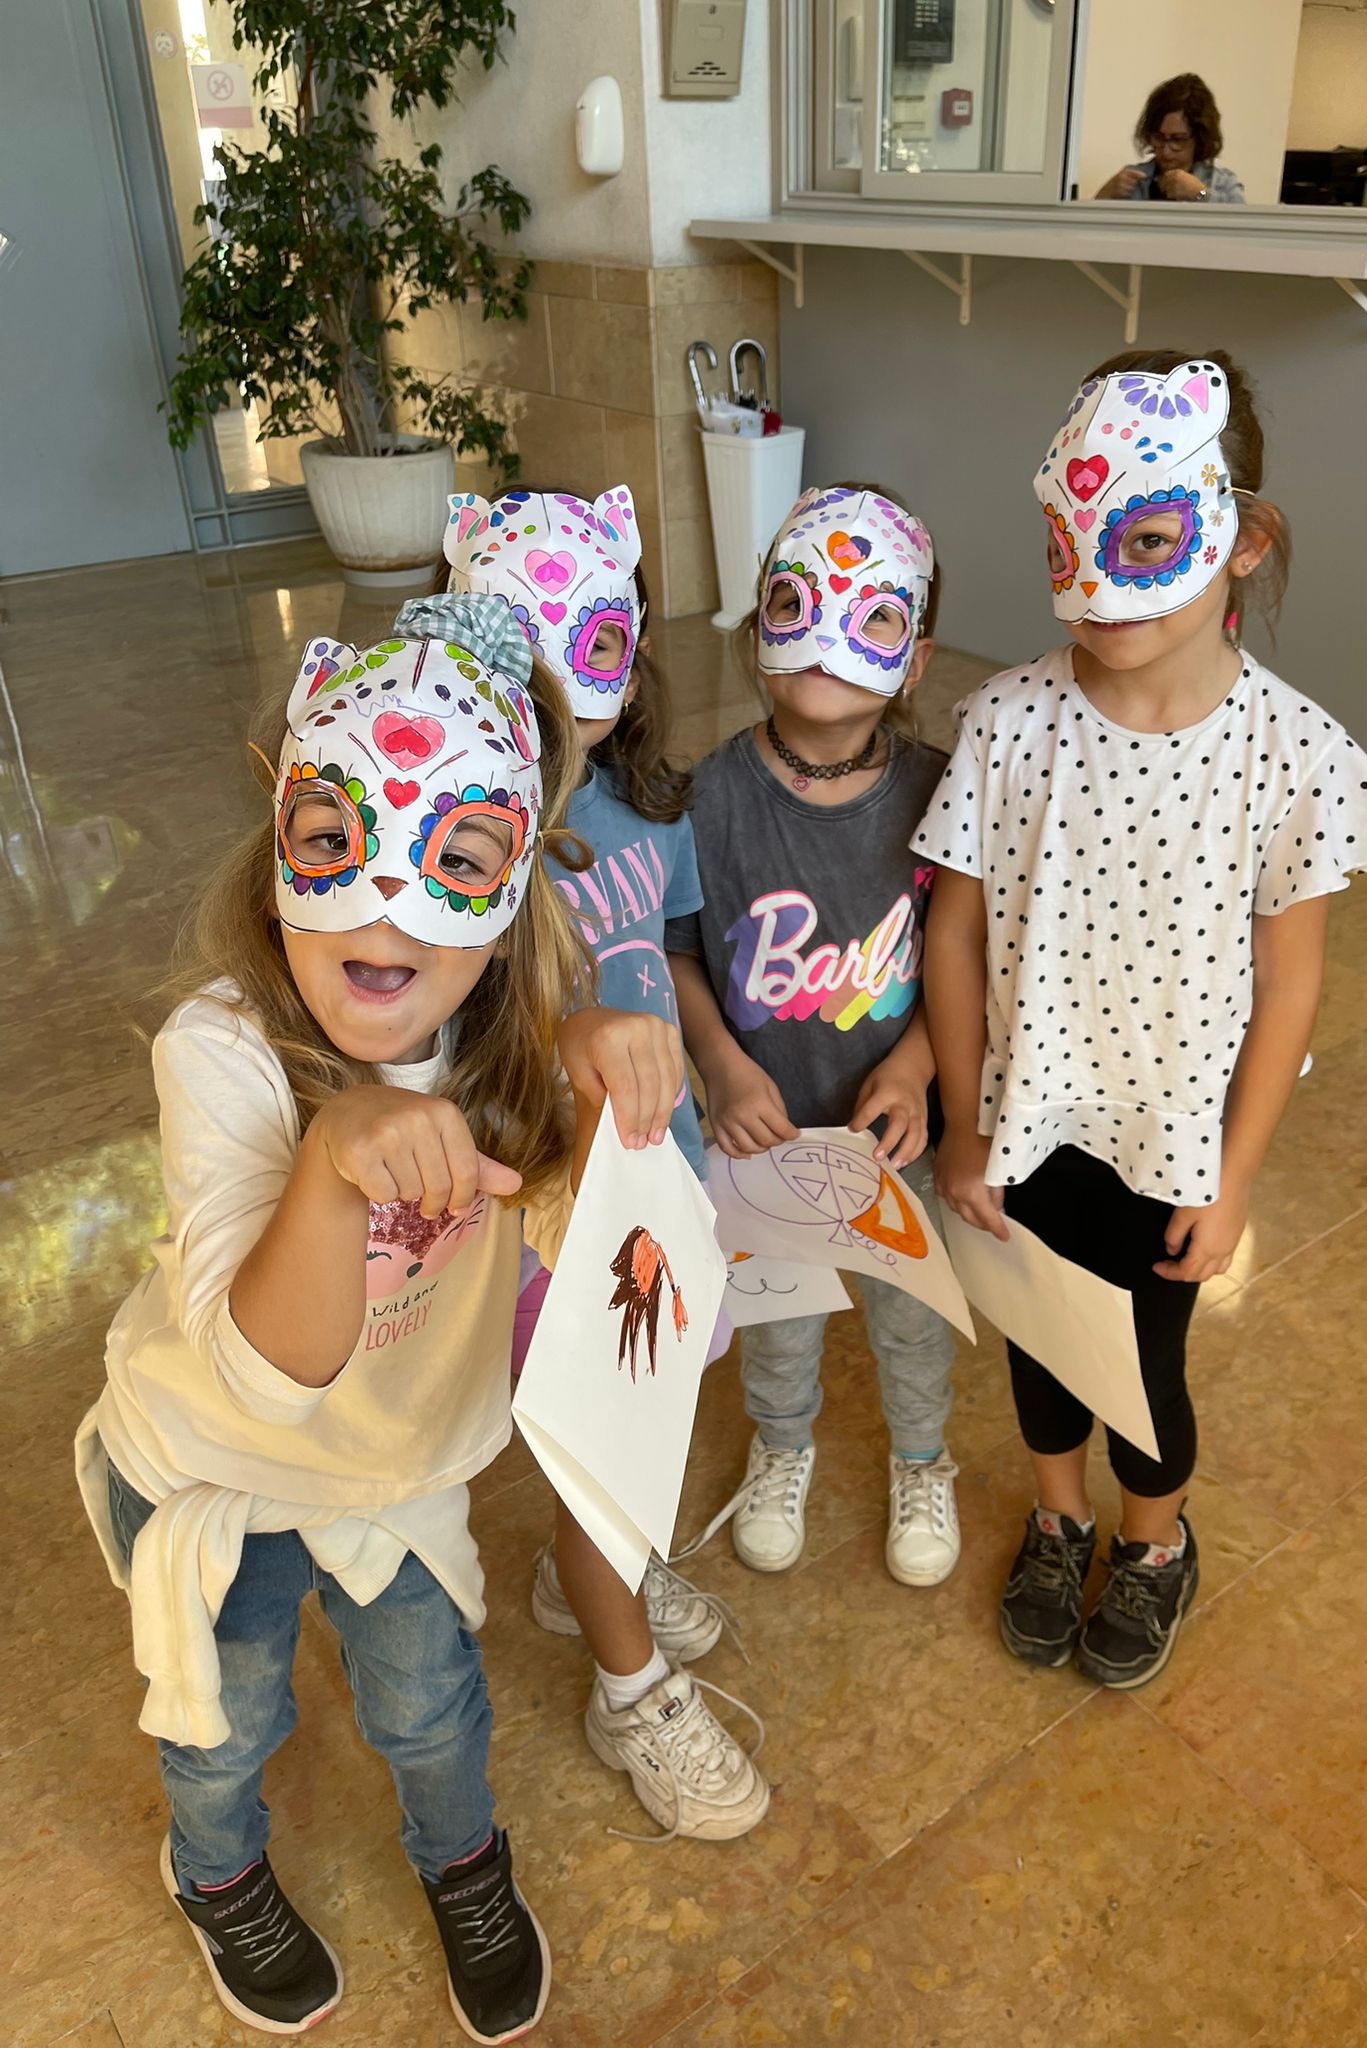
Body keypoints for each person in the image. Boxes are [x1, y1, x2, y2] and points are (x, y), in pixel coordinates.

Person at [74, 594, 684, 2041]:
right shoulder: (220, 1051)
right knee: (225, 1723)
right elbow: (267, 1371)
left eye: (456, 860)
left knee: (429, 1708)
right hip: (215, 1466)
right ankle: (213, 1871)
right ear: (283, 844)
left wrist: (604, 1088)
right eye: (337, 844)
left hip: (391, 1473)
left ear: (514, 884)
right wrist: (334, 1159)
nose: (385, 905)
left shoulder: (506, 1045)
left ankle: (463, 1864)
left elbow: (600, 1250)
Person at [918, 351, 1367, 1689]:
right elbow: (954, 932)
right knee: (1039, 1349)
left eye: (1145, 539)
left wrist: (1236, 1174)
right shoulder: (1009, 725)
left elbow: (1293, 985)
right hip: (1028, 1126)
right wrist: (964, 1130)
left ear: (1240, 538)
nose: (1102, 584)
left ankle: (1152, 1540)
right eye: (1068, 542)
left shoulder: (1293, 756)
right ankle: (1056, 1514)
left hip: (1170, 1140)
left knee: (1143, 1363)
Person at [443, 486, 770, 1844]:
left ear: (631, 650)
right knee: (604, 1442)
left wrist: (729, 1065)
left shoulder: (654, 808)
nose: (561, 689)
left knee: (652, 1423)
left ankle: (595, 1574)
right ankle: (626, 1683)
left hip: (666, 1171)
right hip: (550, 1214)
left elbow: (676, 959)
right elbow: (432, 1035)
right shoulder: (462, 847)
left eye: (589, 645)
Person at [667, 484, 963, 1590]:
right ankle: (783, 1441)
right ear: (757, 633)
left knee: (908, 1310)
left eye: (874, 616)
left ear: (917, 658)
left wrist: (921, 1057)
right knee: (779, 1310)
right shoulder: (707, 799)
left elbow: (961, 956)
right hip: (764, 1129)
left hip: (897, 1132)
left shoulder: (941, 796)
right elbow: (681, 949)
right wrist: (723, 1061)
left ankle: (921, 1456)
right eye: (797, 599)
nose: (830, 636)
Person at [1095, 74, 1245, 204]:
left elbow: (1243, 226)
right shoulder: (1132, 181)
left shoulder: (1223, 183)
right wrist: (1105, 193)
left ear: (1199, 138)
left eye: (1178, 139)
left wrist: (1199, 194)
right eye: (1159, 138)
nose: (1166, 151)